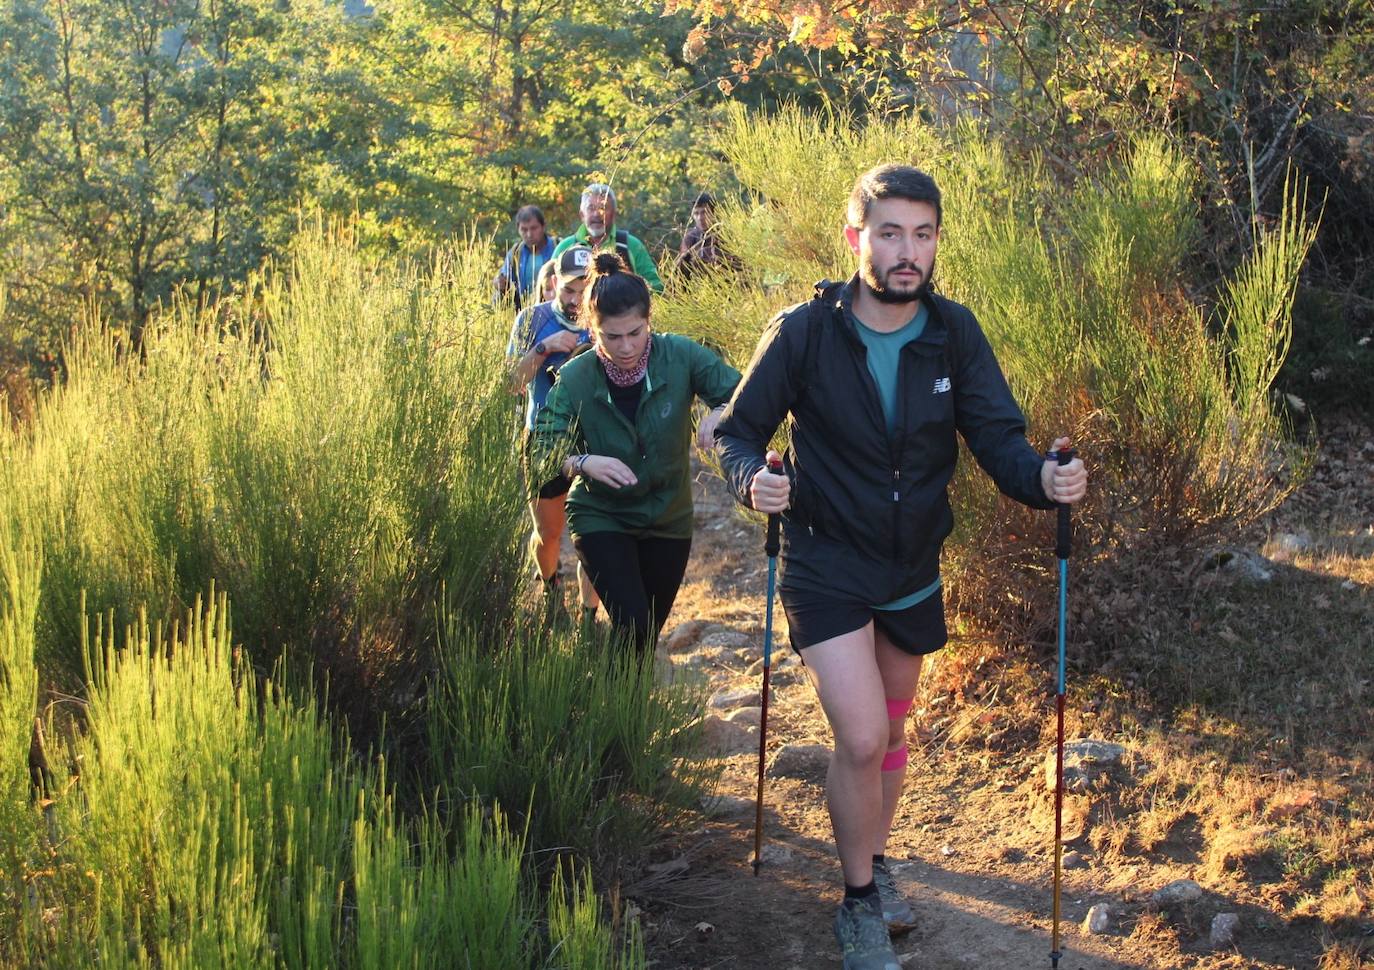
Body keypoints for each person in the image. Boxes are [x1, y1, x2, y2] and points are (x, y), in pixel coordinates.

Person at [714, 163, 1088, 970]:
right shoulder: (804, 331)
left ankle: (877, 865)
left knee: (892, 733)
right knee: (859, 734)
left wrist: (1043, 481)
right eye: (889, 233)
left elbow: (997, 437)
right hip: (826, 561)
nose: (906, 252)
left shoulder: (954, 332)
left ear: (936, 242)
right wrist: (755, 481)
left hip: (913, 563)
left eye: (921, 235)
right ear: (856, 239)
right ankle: (855, 905)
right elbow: (738, 431)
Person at [532, 253, 740, 652]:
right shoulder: (575, 378)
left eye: (635, 332)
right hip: (601, 516)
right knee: (633, 623)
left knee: (642, 639)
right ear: (593, 330)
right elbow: (542, 446)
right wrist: (581, 462)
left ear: (649, 321)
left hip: (668, 516)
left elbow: (741, 393)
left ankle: (613, 700)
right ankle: (609, 708)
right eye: (612, 336)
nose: (626, 347)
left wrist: (719, 412)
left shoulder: (680, 355)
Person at [508, 245, 601, 627]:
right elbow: (511, 384)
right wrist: (544, 349)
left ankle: (589, 618)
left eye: (585, 290)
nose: (576, 300)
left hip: (593, 441)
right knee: (548, 535)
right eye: (568, 290)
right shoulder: (532, 320)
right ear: (552, 284)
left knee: (595, 539)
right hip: (544, 440)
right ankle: (550, 590)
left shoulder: (605, 320)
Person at [551, 184, 664, 294]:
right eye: (591, 208)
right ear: (581, 215)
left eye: (603, 208)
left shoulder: (631, 245)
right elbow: (548, 287)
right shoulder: (565, 247)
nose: (597, 214)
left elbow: (656, 287)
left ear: (614, 214)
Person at [495, 205, 559, 309]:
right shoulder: (515, 254)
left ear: (543, 226)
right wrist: (499, 284)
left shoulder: (558, 247)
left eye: (534, 228)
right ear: (518, 229)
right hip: (525, 312)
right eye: (524, 229)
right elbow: (505, 281)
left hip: (553, 309)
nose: (529, 234)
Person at [676, 191, 733, 279]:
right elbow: (682, 270)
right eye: (696, 213)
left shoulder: (725, 234)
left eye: (704, 212)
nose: (700, 218)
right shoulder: (690, 238)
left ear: (713, 213)